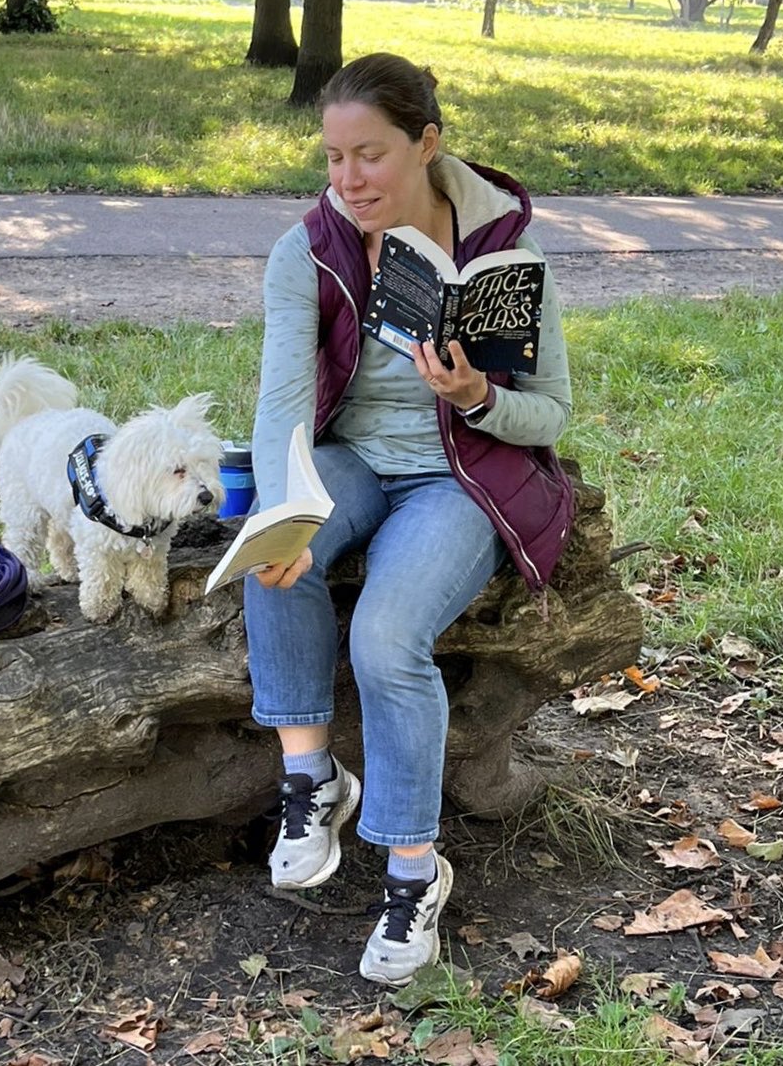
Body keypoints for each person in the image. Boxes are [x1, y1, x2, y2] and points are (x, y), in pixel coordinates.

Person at [244, 52, 574, 986]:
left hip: (459, 476)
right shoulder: (306, 250)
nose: (348, 181)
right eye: (333, 157)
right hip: (351, 457)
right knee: (279, 549)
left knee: (388, 637)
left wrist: (476, 398)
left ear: (427, 145)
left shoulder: (508, 250)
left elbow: (549, 412)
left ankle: (413, 873)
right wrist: (291, 505)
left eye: (372, 156)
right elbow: (281, 408)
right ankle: (310, 777)